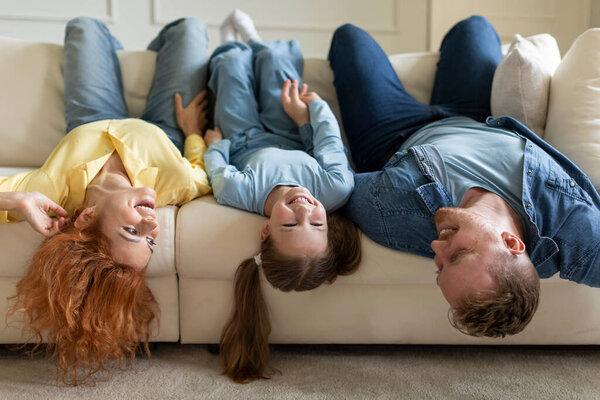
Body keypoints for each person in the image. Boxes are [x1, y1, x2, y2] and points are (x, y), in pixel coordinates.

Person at [329, 15, 600, 338]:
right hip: (473, 114)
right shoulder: (571, 227)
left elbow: (333, 182)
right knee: (474, 27)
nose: (435, 247)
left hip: (391, 133)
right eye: (457, 254)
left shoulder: (392, 212)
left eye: (439, 267)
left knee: (349, 37)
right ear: (511, 242)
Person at [4, 17, 212, 385]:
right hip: (165, 129)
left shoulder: (50, 191)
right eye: (152, 240)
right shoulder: (174, 182)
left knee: (84, 26)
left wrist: (16, 198)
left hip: (89, 118)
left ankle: (117, 49)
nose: (153, 224)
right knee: (189, 30)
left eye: (134, 231)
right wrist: (193, 132)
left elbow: (20, 198)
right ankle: (142, 54)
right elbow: (201, 172)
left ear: (86, 217)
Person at [205, 11, 361, 383]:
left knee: (229, 66)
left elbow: (216, 167)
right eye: (318, 222)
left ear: (265, 231)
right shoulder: (336, 188)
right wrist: (311, 110)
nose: (305, 209)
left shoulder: (238, 193)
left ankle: (236, 46)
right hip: (292, 129)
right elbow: (329, 142)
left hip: (243, 138)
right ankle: (256, 41)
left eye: (291, 224)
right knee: (277, 64)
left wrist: (216, 144)